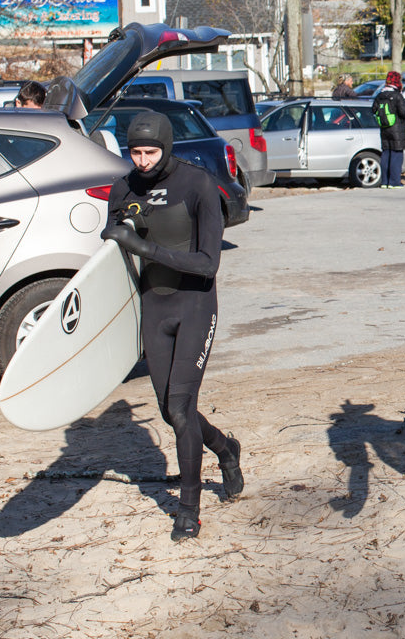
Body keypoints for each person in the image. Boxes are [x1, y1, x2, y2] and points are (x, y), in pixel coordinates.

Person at [100, 112, 244, 542]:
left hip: (196, 303)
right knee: (168, 411)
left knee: (181, 408)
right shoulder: (123, 189)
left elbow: (207, 264)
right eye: (135, 152)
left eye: (151, 151)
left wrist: (144, 246)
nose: (143, 160)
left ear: (167, 147)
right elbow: (112, 260)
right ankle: (224, 447)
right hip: (155, 305)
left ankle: (188, 508)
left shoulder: (197, 185)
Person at [372, 71, 405, 189]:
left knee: (386, 153)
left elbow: (373, 110)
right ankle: (394, 181)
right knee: (396, 154)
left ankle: (384, 181)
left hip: (384, 128)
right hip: (397, 128)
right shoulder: (397, 95)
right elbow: (403, 112)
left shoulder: (380, 95)